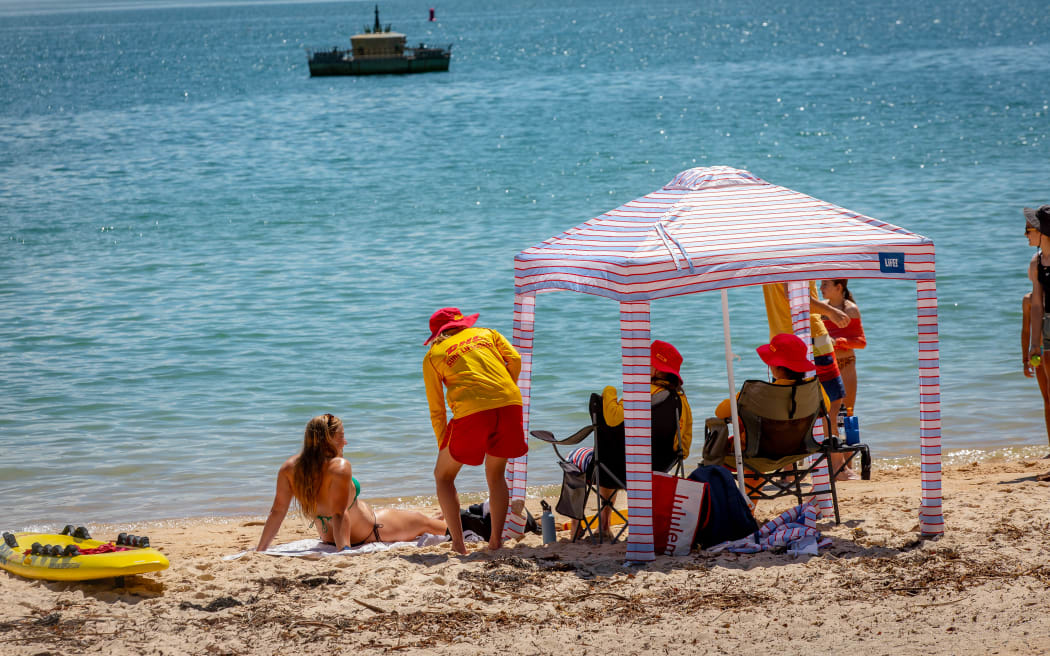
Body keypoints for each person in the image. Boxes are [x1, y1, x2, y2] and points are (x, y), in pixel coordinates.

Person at [256, 414, 447, 552]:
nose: (345, 442)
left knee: (428, 519)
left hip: (329, 537)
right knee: (431, 524)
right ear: (327, 441)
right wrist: (344, 551)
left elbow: (277, 512)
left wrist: (261, 550)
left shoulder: (289, 467)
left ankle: (439, 515)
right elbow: (339, 514)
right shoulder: (339, 466)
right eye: (341, 437)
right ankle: (443, 517)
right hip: (375, 529)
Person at [423, 307, 527, 555]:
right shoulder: (487, 333)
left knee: (443, 476)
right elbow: (515, 360)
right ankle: (495, 542)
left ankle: (458, 544)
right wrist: (503, 389)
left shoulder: (433, 355)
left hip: (472, 412)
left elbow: (437, 409)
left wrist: (443, 445)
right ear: (463, 325)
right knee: (496, 474)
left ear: (438, 335)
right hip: (510, 403)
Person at [571, 339, 694, 538]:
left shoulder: (639, 393)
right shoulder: (680, 401)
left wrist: (609, 391)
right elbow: (684, 448)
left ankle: (593, 528)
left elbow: (612, 418)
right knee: (613, 457)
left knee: (577, 458)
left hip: (614, 468)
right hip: (657, 468)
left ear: (655, 370)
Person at [714, 333, 836, 498]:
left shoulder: (755, 392)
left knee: (734, 449)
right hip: (798, 450)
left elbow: (720, 412)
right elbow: (825, 410)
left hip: (757, 455)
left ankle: (746, 506)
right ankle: (748, 506)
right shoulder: (814, 389)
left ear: (777, 367)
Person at [1024, 203, 1050, 457]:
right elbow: (1037, 306)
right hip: (1048, 332)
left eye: (1030, 229)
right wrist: (1034, 344)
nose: (1026, 235)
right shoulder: (1037, 262)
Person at [819, 279, 866, 414]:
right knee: (826, 413)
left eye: (825, 284)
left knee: (846, 412)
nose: (821, 288)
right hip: (825, 365)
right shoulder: (821, 308)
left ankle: (847, 435)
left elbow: (861, 342)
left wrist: (836, 342)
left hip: (846, 365)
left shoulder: (850, 309)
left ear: (838, 287)